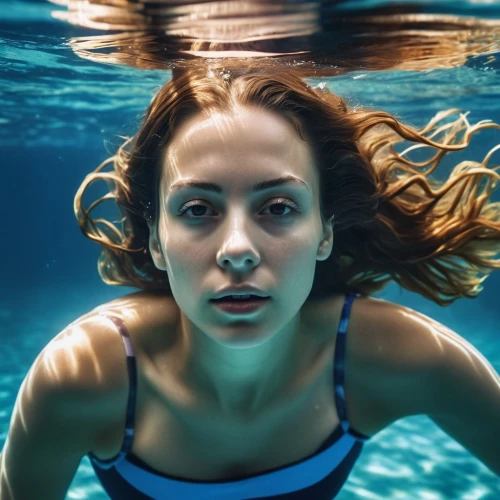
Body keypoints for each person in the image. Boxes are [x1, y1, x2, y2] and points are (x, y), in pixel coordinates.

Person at [1, 67, 500, 500]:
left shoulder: (402, 358)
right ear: (156, 240)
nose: (237, 249)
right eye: (197, 209)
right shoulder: (80, 380)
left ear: (325, 231)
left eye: (278, 207)